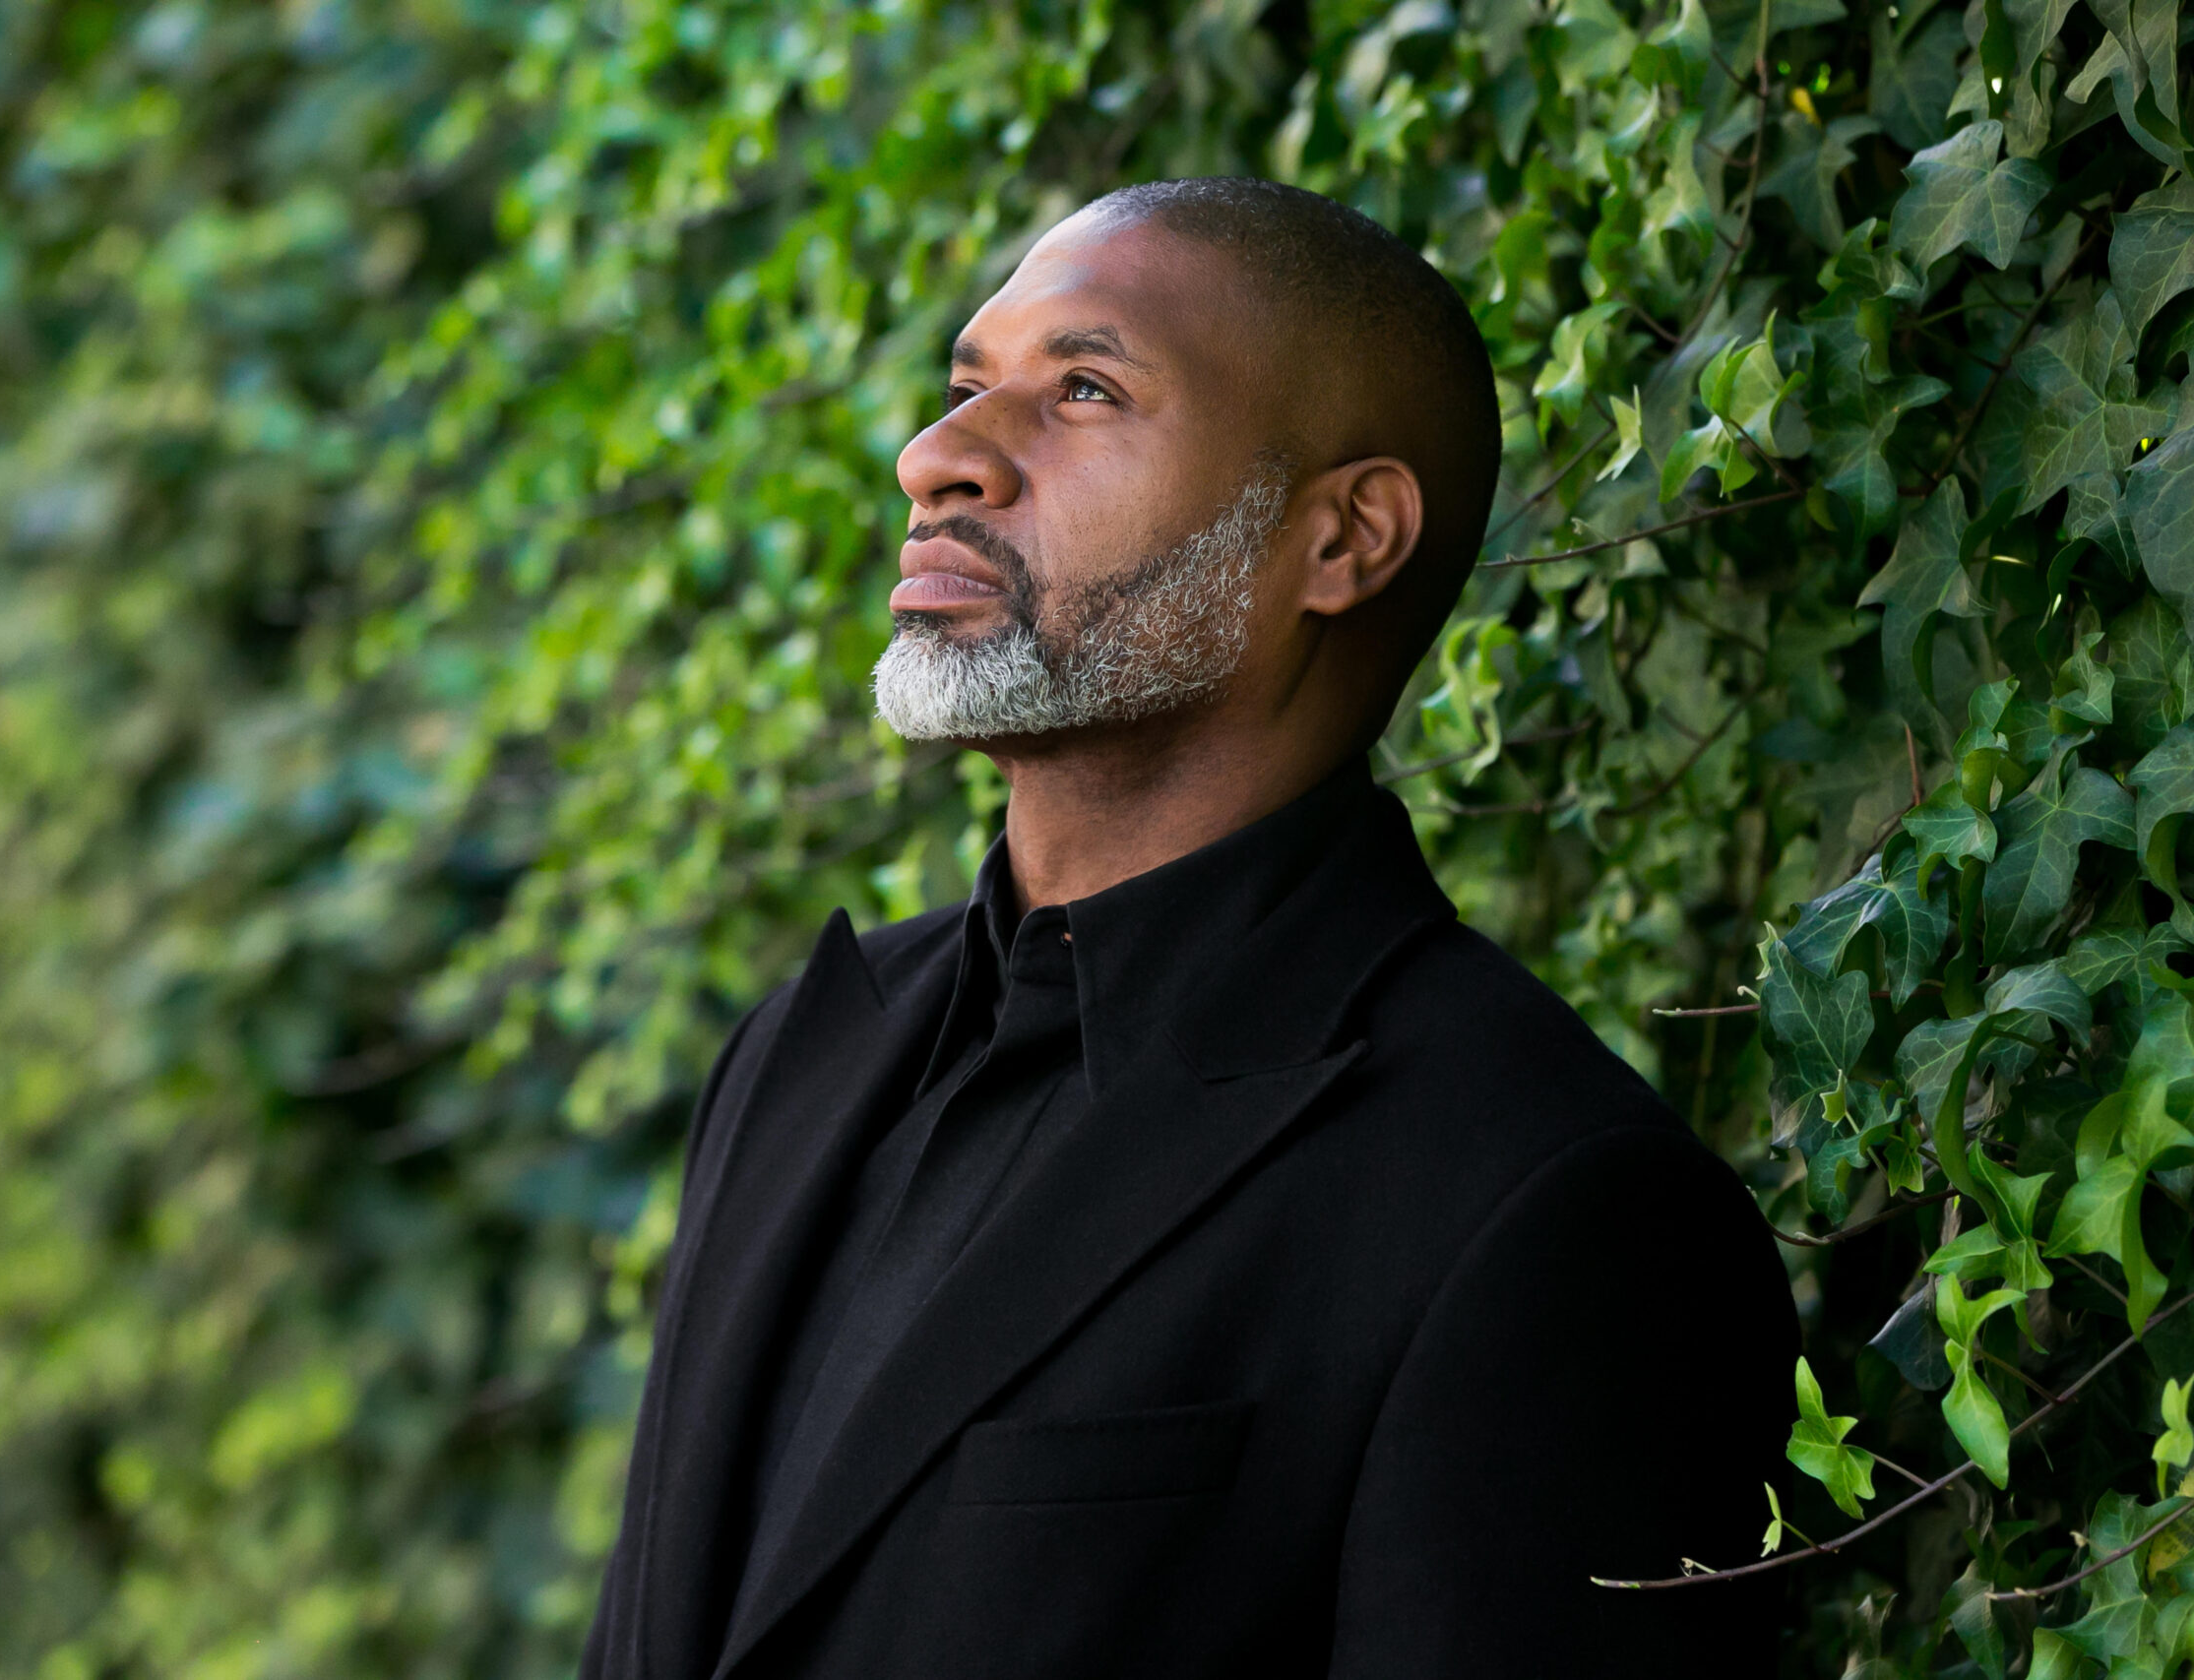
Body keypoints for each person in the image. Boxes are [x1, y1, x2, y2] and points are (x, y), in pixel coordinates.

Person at [581, 177, 1795, 1680]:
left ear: (1342, 539)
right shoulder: (800, 1051)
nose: (938, 457)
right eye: (969, 387)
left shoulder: (1549, 1206)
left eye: (1083, 390)